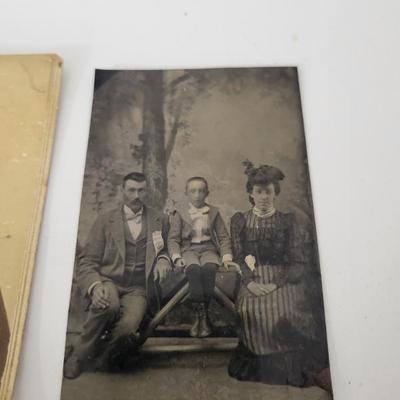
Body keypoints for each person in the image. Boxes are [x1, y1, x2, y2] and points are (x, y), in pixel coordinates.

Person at [63, 172, 172, 379]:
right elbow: (87, 261)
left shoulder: (160, 219)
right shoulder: (105, 220)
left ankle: (103, 358)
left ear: (146, 191)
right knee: (107, 305)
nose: (136, 195)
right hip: (109, 281)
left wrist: (164, 259)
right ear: (123, 191)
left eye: (141, 190)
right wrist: (95, 286)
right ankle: (79, 356)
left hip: (138, 288)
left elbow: (169, 246)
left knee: (128, 328)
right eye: (131, 190)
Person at [228, 161, 320, 386]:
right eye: (258, 192)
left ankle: (288, 367)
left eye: (268, 192)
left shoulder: (287, 221)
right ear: (251, 193)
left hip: (283, 277)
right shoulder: (240, 221)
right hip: (252, 276)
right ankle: (262, 364)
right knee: (250, 308)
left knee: (286, 308)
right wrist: (250, 283)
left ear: (275, 193)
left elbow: (298, 262)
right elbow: (238, 257)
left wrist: (274, 284)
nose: (263, 197)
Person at [168, 177, 235, 338]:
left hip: (208, 249)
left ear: (207, 193)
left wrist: (226, 257)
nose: (197, 195)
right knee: (193, 270)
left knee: (209, 269)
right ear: (186, 193)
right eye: (193, 191)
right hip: (188, 250)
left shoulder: (214, 212)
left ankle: (204, 316)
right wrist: (176, 257)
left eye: (201, 191)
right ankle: (199, 316)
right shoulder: (179, 213)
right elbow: (173, 239)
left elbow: (223, 237)